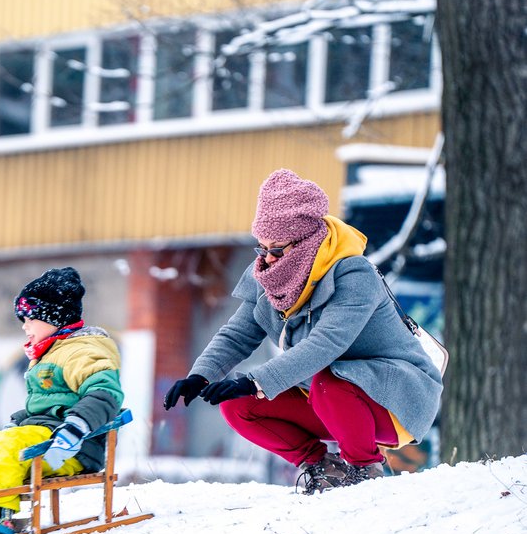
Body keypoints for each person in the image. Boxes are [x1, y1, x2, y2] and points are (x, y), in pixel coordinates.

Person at [163, 168, 443, 494]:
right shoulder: (268, 278)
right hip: (329, 398)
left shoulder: (353, 274)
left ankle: (364, 471)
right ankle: (325, 469)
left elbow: (326, 344)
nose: (266, 260)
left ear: (306, 242)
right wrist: (200, 376)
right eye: (261, 248)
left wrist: (256, 381)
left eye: (277, 250)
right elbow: (237, 334)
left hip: (396, 400)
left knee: (328, 379)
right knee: (238, 403)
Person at [0, 267, 123, 534]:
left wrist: (75, 430)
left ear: (54, 317)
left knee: (6, 446)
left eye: (30, 318)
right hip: (43, 437)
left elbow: (105, 393)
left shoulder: (83, 350)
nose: (24, 326)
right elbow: (42, 410)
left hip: (71, 447)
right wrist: (18, 422)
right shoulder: (51, 353)